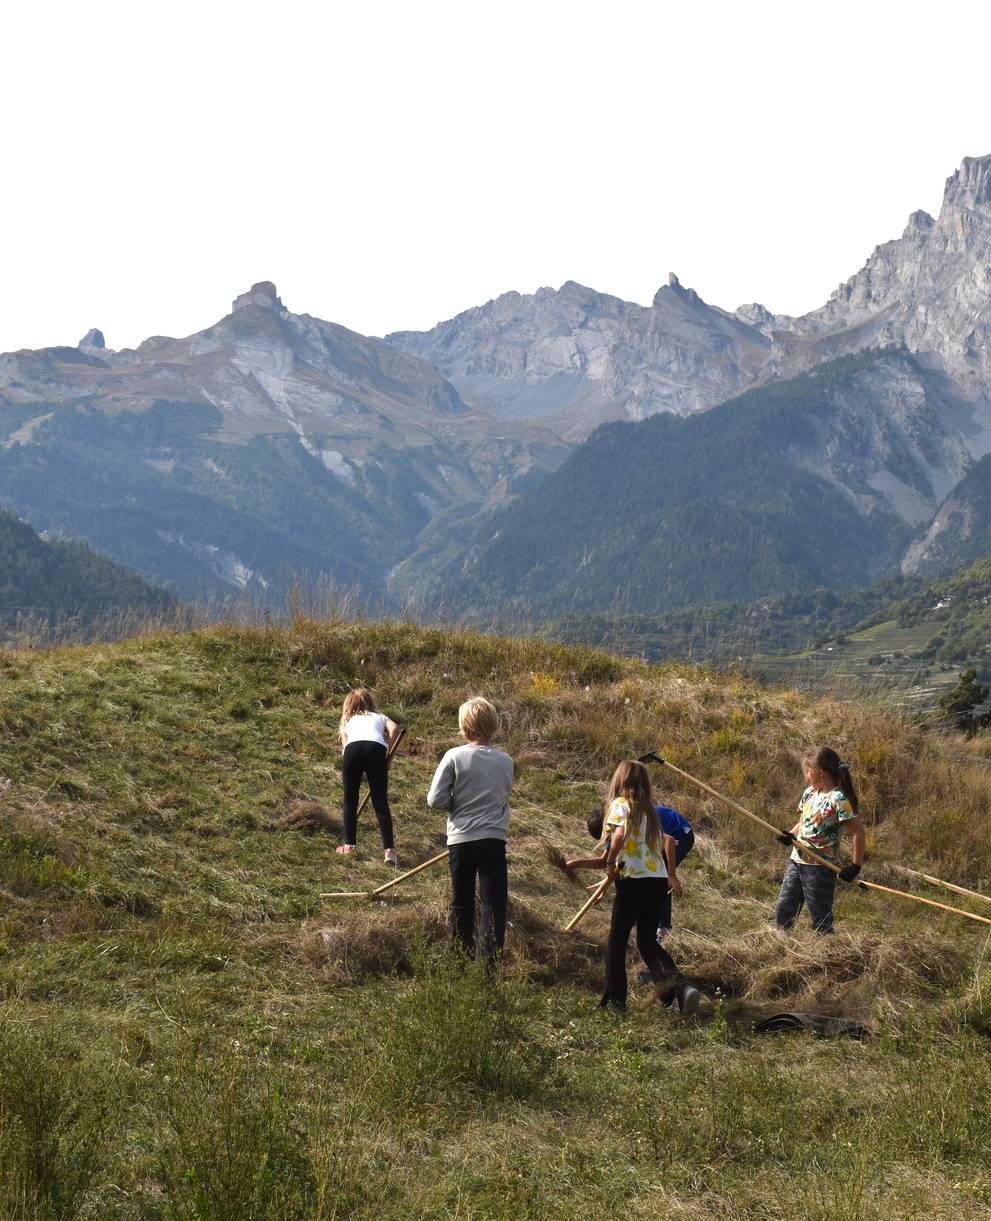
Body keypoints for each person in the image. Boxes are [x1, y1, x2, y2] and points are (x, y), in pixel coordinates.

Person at [568, 760, 693, 1011]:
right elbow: (668, 841)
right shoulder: (649, 811)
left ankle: (615, 1002)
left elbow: (619, 836)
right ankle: (678, 989)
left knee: (616, 942)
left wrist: (612, 863)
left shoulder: (619, 805)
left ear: (619, 782)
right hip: (656, 882)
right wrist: (671, 875)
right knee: (646, 941)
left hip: (633, 882)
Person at [426, 696, 514, 961]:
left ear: (464, 727)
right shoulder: (505, 760)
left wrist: (458, 805)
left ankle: (458, 963)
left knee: (461, 903)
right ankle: (486, 971)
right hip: (493, 839)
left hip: (461, 839)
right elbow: (504, 792)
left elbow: (435, 799)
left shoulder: (454, 756)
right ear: (492, 725)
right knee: (492, 905)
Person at [774, 746, 865, 935]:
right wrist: (790, 834)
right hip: (797, 859)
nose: (806, 776)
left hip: (820, 867)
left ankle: (826, 949)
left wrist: (855, 867)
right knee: (784, 907)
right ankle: (781, 942)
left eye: (808, 771)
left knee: (820, 915)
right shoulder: (809, 793)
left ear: (820, 773)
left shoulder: (837, 799)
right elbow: (803, 822)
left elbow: (858, 832)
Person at [583, 801, 694, 944]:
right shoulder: (618, 826)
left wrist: (671, 875)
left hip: (680, 834)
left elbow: (669, 841)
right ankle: (636, 915)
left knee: (660, 876)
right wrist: (573, 865)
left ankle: (663, 927)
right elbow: (609, 862)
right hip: (663, 837)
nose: (609, 841)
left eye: (608, 837)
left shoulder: (630, 824)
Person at [336, 688, 402, 863]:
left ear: (348, 705)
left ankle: (349, 846)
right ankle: (389, 851)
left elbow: (345, 748)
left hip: (352, 750)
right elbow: (395, 729)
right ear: (371, 703)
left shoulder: (347, 721)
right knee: (380, 801)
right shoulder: (380, 717)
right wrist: (388, 757)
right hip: (376, 749)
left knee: (350, 799)